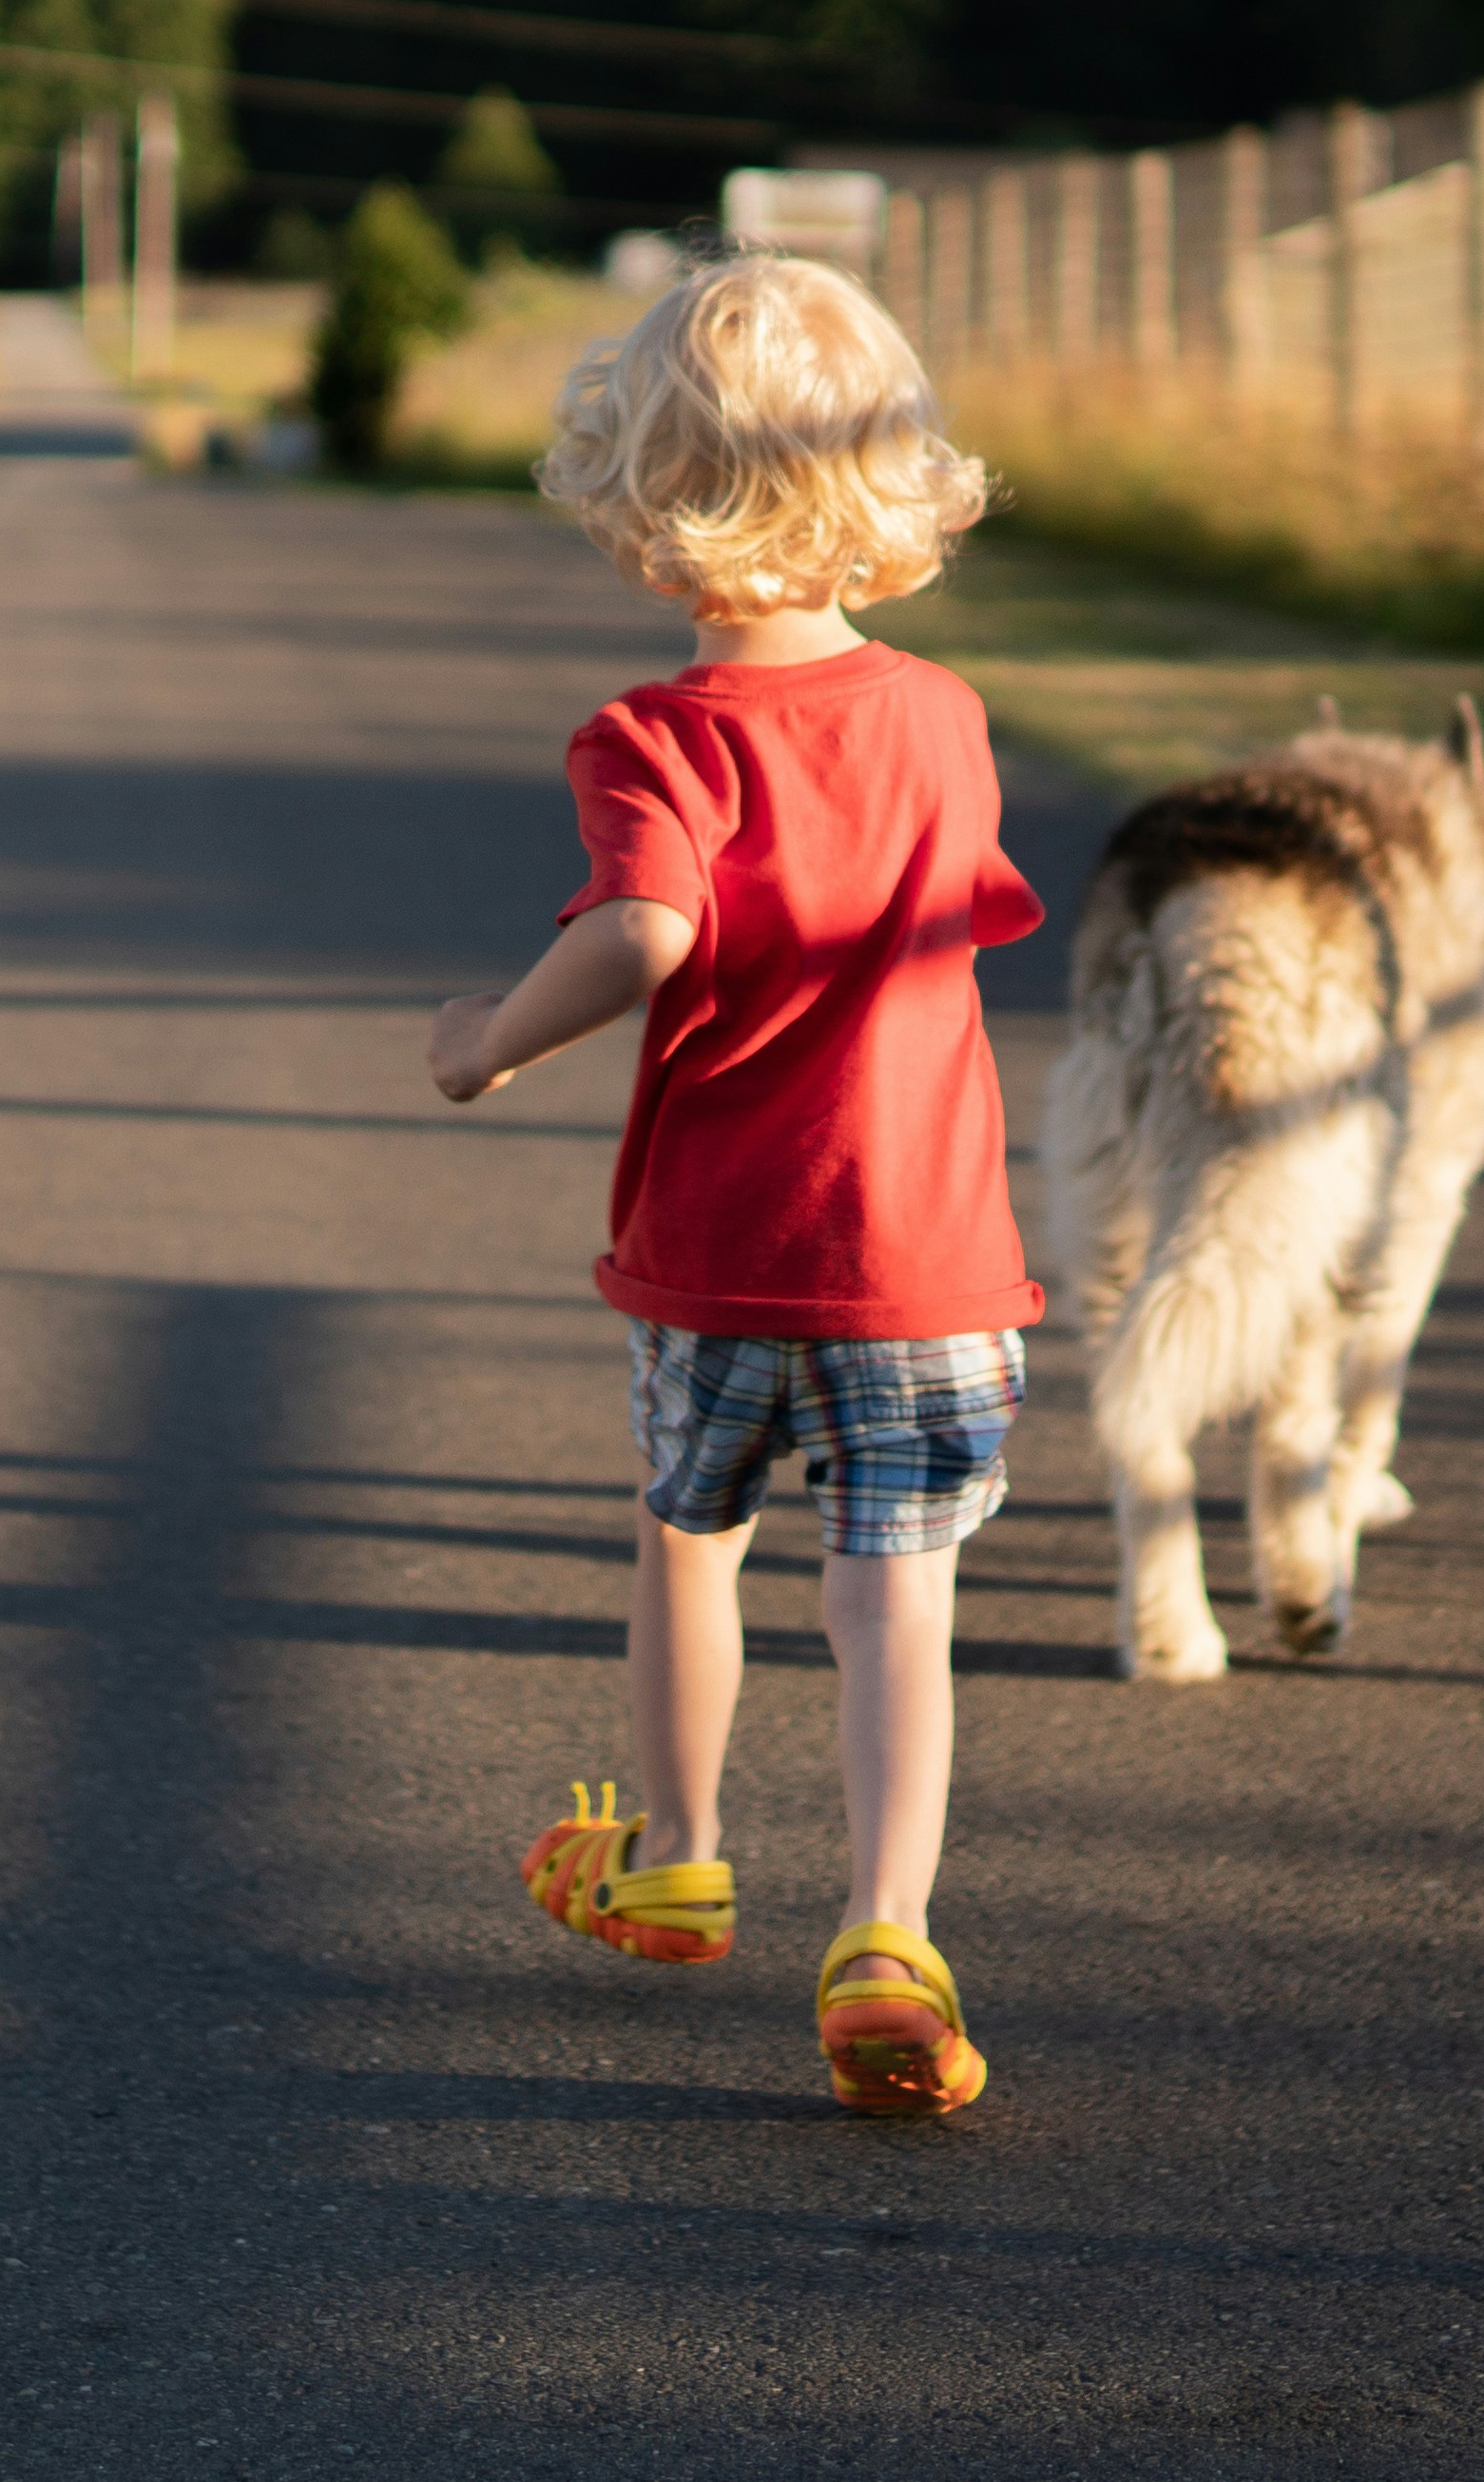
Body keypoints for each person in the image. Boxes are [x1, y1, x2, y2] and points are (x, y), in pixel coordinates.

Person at [425, 253, 1040, 2117]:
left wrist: (493, 1040)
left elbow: (644, 931)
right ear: (890, 490)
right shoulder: (941, 717)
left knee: (694, 1533)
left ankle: (681, 1851)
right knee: (897, 1593)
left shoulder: (655, 739)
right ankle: (884, 1927)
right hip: (925, 1256)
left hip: (720, 1253)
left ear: (640, 500)